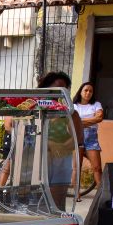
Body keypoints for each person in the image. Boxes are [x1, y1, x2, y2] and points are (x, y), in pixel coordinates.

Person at [37, 71, 84, 209]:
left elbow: (78, 138)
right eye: (56, 88)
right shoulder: (34, 108)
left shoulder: (70, 113)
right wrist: (50, 144)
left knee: (57, 204)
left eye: (64, 89)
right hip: (37, 164)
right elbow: (20, 132)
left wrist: (61, 147)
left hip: (60, 163)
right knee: (36, 203)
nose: (59, 93)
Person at [72, 81, 104, 197]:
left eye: (90, 91)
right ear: (80, 91)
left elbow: (99, 118)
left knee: (97, 167)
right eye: (86, 90)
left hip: (91, 137)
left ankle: (101, 194)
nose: (88, 93)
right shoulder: (74, 105)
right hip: (77, 135)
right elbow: (71, 122)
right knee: (77, 167)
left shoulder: (96, 104)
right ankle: (77, 193)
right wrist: (91, 119)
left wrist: (79, 122)